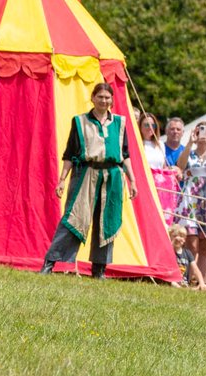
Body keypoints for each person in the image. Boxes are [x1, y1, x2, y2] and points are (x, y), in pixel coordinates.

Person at [40, 83, 138, 278]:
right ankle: (50, 263)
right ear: (92, 98)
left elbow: (125, 154)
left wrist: (132, 180)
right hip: (86, 174)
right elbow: (69, 153)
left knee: (106, 221)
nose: (104, 101)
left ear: (111, 100)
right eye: (100, 97)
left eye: (107, 97)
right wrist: (62, 180)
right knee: (74, 218)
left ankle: (99, 269)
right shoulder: (80, 121)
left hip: (112, 177)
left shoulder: (120, 123)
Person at [176, 121, 206, 287]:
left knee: (205, 245)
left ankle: (201, 283)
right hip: (191, 200)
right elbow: (180, 167)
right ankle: (187, 279)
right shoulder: (188, 152)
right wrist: (189, 143)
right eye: (200, 132)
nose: (203, 136)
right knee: (191, 243)